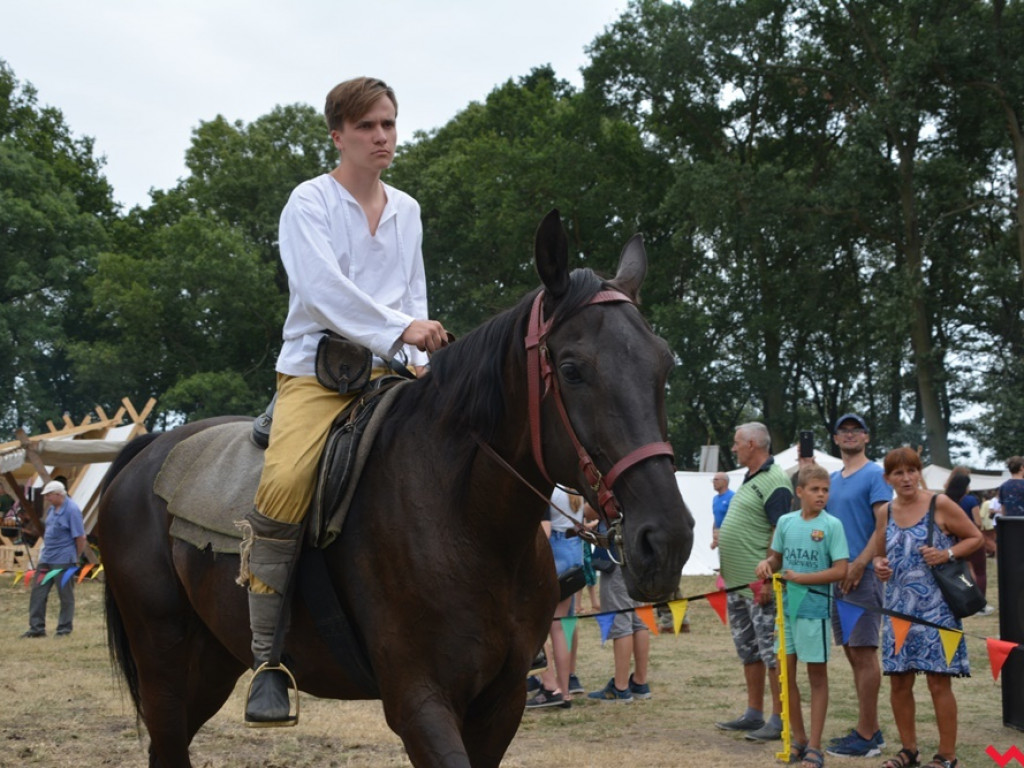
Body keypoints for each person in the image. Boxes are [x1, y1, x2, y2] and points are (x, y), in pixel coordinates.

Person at [238, 76, 448, 725]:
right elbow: (322, 290)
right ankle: (268, 662)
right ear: (338, 135)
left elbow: (414, 293)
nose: (382, 136)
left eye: (388, 123)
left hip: (393, 371)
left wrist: (419, 356)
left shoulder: (407, 210)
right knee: (283, 486)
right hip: (316, 375)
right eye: (367, 127)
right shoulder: (309, 203)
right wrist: (399, 331)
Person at [873, 447, 983, 768]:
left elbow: (975, 538)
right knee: (899, 680)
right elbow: (882, 554)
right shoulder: (885, 512)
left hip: (938, 609)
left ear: (919, 472)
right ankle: (909, 751)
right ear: (888, 478)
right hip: (898, 609)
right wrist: (880, 566)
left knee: (939, 681)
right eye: (898, 472)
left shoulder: (941, 503)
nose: (906, 478)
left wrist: (947, 554)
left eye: (912, 470)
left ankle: (947, 756)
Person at [756, 464, 849, 768]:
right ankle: (798, 738)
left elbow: (840, 570)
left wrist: (801, 579)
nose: (821, 494)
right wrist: (767, 564)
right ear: (800, 492)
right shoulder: (785, 522)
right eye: (815, 489)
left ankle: (815, 745)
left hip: (815, 611)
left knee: (817, 678)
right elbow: (777, 557)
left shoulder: (832, 525)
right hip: (786, 613)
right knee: (787, 677)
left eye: (825, 490)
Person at [715, 422, 792, 741]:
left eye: (736, 443)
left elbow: (780, 530)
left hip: (759, 585)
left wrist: (769, 576)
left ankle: (779, 717)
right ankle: (754, 712)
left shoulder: (775, 481)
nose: (733, 448)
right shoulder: (749, 479)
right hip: (737, 583)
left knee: (771, 653)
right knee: (749, 650)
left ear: (752, 444)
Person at [825, 414, 892, 758]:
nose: (850, 435)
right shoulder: (832, 479)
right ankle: (871, 729)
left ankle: (866, 737)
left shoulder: (875, 474)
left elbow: (882, 525)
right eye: (843, 431)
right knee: (853, 653)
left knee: (864, 653)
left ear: (866, 437)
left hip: (861, 575)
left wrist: (861, 563)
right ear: (835, 439)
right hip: (837, 576)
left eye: (856, 430)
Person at [526, 489, 586, 710]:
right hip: (574, 551)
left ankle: (551, 686)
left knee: (541, 626)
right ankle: (565, 689)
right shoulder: (575, 491)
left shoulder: (552, 490)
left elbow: (546, 530)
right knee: (561, 627)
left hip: (557, 550)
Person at [586, 503, 652, 703]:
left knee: (621, 622)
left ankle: (620, 686)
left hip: (619, 557)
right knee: (640, 621)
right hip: (642, 556)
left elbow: (589, 510)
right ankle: (640, 681)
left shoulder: (615, 480)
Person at [21, 480, 86, 638]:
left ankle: (63, 629)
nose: (47, 498)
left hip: (64, 560)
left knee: (65, 596)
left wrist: (74, 558)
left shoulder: (72, 510)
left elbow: (80, 537)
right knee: (38, 593)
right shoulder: (51, 509)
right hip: (47, 558)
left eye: (49, 495)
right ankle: (36, 628)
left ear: (58, 494)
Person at [944, 467, 993, 615]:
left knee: (963, 573)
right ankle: (980, 605)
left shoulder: (946, 500)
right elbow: (977, 522)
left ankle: (965, 599)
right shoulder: (971, 500)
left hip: (955, 541)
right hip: (973, 540)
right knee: (980, 572)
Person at [710, 471, 734, 550]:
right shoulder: (715, 499)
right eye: (713, 480)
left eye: (716, 480)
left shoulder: (733, 497)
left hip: (731, 537)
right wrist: (714, 538)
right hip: (720, 538)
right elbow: (716, 518)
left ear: (724, 482)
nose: (713, 482)